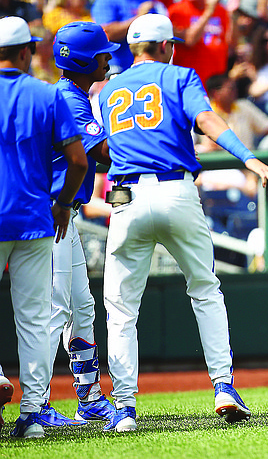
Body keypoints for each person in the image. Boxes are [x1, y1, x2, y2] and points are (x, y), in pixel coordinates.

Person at [97, 13, 268, 432]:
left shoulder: (109, 90)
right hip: (176, 190)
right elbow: (208, 121)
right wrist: (249, 158)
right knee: (205, 289)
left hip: (126, 196)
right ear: (165, 46)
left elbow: (104, 148)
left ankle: (124, 408)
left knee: (121, 310)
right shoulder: (179, 76)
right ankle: (223, 386)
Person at [0, 16, 88, 438]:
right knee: (34, 318)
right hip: (36, 218)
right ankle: (32, 411)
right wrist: (64, 204)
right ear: (24, 52)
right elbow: (79, 161)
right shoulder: (47, 94)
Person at [46, 22, 120, 427]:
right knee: (56, 309)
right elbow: (105, 153)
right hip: (51, 213)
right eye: (101, 54)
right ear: (83, 59)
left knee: (80, 307)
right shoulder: (69, 99)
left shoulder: (73, 94)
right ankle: (36, 405)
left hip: (65, 214)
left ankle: (89, 398)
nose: (107, 59)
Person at [90, 0, 157, 75]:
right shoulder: (106, 0)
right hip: (116, 69)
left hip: (144, 69)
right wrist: (139, 18)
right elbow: (107, 33)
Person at [168, 0, 231, 87]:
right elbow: (190, 40)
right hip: (190, 81)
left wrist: (233, 15)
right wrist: (209, 11)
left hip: (215, 81)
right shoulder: (176, 11)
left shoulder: (221, 11)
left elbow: (230, 43)